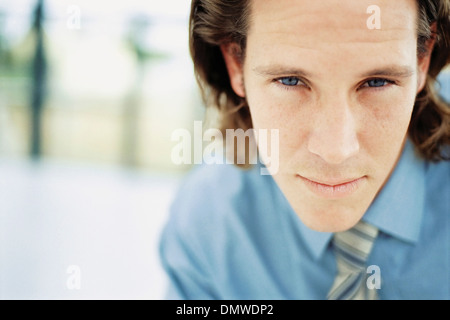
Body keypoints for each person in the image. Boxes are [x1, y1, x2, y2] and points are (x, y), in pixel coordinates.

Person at [159, 0, 450, 299]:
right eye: (290, 81)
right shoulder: (208, 223)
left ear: (422, 57)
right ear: (236, 63)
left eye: (377, 82)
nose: (336, 150)